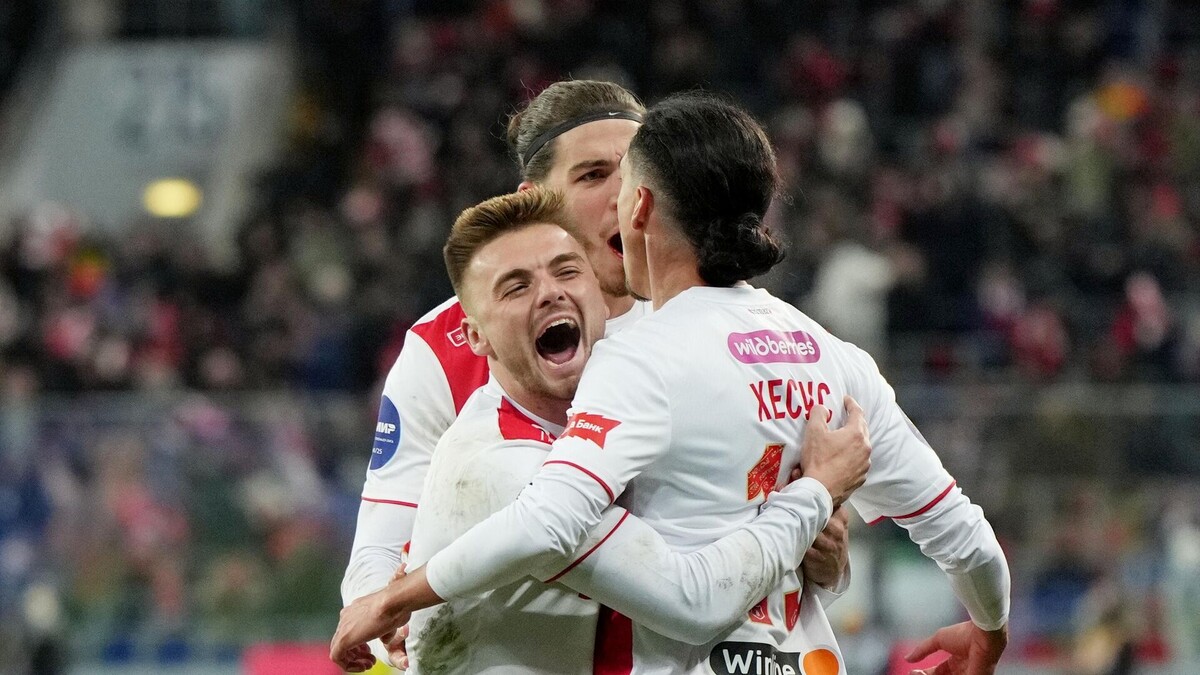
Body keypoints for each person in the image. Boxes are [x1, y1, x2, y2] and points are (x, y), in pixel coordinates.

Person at [332, 92, 1011, 674]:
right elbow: (965, 537)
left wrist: (819, 538)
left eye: (625, 174)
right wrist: (990, 625)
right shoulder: (832, 357)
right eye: (592, 174)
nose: (613, 195)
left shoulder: (639, 357)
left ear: (645, 204)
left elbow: (563, 529)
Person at [335, 188, 870, 673]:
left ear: (599, 294)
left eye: (567, 272)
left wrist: (822, 558)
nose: (550, 294)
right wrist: (816, 492)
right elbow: (697, 600)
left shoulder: (624, 427)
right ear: (477, 337)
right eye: (516, 287)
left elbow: (738, 555)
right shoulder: (500, 463)